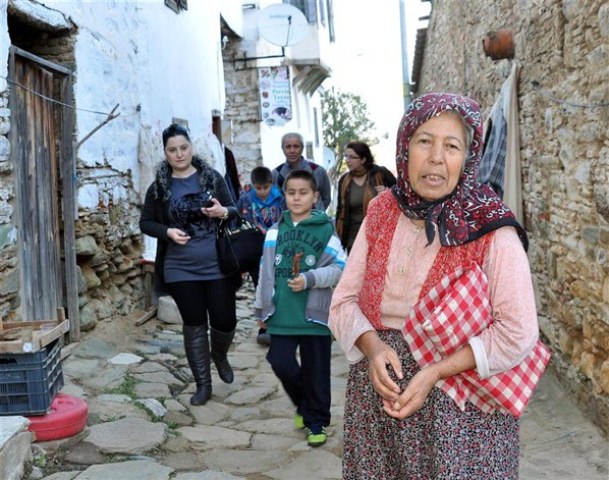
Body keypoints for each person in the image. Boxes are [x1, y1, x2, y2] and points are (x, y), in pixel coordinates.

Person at [328, 93, 550, 479]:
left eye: (452, 146)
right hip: (380, 393)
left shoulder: (490, 227)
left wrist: (434, 372)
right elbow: (343, 302)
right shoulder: (381, 212)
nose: (435, 158)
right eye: (424, 141)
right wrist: (373, 346)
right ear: (404, 147)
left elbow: (519, 330)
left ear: (467, 158)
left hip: (460, 407)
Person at [140, 123, 240, 406]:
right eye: (172, 150)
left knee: (225, 320)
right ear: (165, 153)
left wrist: (222, 212)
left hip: (217, 264)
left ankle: (219, 354)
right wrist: (168, 232)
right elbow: (146, 222)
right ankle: (203, 385)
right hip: (179, 268)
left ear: (191, 147)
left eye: (183, 148)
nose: (179, 154)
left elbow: (235, 211)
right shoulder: (160, 186)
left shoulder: (212, 178)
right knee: (194, 324)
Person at [254, 169, 347, 447]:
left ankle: (315, 421)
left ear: (315, 196)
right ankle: (304, 404)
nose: (296, 198)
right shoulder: (274, 231)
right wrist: (261, 308)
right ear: (284, 196)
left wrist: (310, 279)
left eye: (303, 192)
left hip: (314, 315)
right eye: (291, 193)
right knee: (279, 361)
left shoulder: (325, 230)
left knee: (316, 370)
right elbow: (265, 272)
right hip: (282, 312)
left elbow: (340, 268)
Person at [236, 165, 286, 346]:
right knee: (262, 286)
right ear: (253, 185)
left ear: (271, 184)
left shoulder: (281, 198)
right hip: (256, 251)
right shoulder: (245, 200)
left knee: (280, 285)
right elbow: (238, 223)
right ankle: (265, 326)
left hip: (279, 248)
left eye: (266, 187)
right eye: (259, 188)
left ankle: (280, 324)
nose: (262, 192)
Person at [335, 141, 397, 251]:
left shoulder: (380, 174)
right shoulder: (344, 180)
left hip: (378, 234)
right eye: (346, 156)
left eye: (352, 157)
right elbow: (340, 210)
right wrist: (340, 235)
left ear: (363, 159)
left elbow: (401, 194)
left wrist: (388, 192)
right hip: (352, 237)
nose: (347, 161)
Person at [272, 132, 332, 211]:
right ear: (282, 149)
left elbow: (326, 198)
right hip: (288, 221)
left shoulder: (317, 171)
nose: (292, 150)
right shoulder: (276, 174)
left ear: (302, 148)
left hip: (315, 220)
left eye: (296, 146)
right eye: (288, 147)